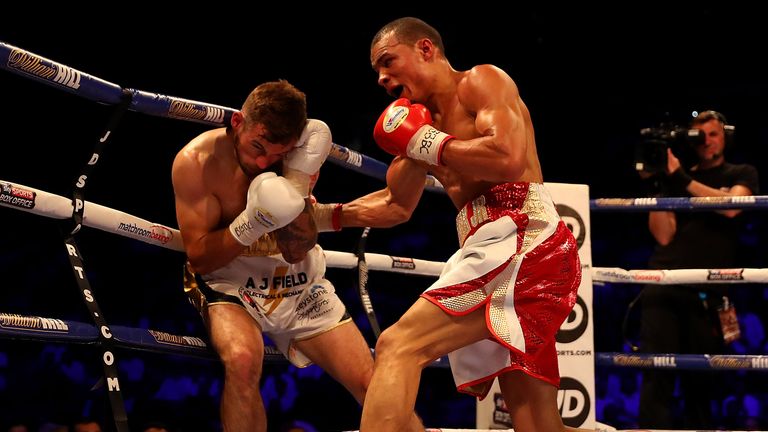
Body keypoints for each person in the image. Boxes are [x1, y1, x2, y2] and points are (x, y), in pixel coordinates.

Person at [313, 18, 583, 432]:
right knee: (537, 425)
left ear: (425, 49)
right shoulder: (418, 122)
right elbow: (395, 204)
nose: (383, 78)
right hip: (496, 245)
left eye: (388, 62)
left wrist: (428, 143)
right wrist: (323, 217)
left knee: (398, 345)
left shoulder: (480, 82)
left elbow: (508, 157)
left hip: (524, 237)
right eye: (377, 73)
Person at [172, 80, 421, 431]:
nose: (263, 161)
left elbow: (296, 247)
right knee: (242, 360)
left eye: (277, 153)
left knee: (372, 382)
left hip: (299, 283)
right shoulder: (196, 163)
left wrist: (297, 185)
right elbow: (199, 259)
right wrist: (252, 223)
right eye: (258, 146)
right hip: (231, 285)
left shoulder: (298, 154)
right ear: (238, 122)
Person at [638, 110, 759, 428]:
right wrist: (662, 183)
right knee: (656, 378)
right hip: (664, 284)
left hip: (707, 292)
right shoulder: (678, 176)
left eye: (713, 134)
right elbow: (663, 235)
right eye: (699, 135)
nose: (706, 140)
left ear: (726, 137)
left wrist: (681, 179)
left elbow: (733, 207)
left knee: (701, 386)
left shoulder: (741, 172)